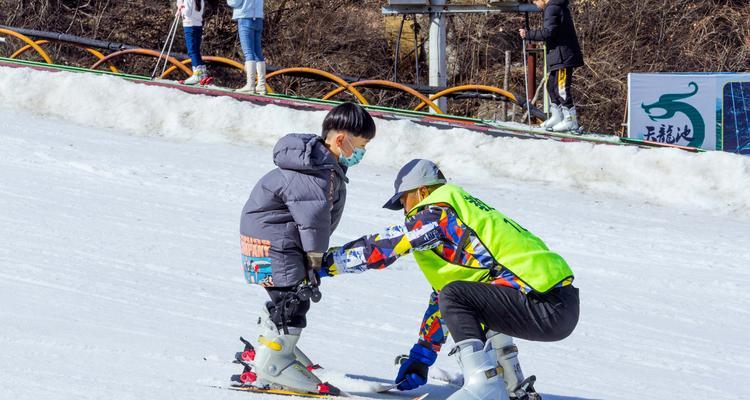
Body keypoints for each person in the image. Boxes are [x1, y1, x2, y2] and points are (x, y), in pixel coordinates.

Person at [320, 159, 580, 400]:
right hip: (556, 304)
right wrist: (423, 354)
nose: (405, 211)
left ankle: (484, 384)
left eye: (404, 202)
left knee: (456, 295)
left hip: (542, 302)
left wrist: (321, 264)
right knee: (465, 296)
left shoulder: (438, 212)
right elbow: (448, 299)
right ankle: (512, 385)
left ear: (422, 192)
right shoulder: (466, 213)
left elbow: (384, 247)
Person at [237, 102, 376, 395]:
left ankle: (273, 348)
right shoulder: (317, 172)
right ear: (341, 140)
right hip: (278, 243)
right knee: (294, 300)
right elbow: (313, 221)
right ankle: (274, 364)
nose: (362, 153)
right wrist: (314, 259)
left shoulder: (316, 165)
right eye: (360, 146)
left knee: (284, 297)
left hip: (270, 240)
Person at [520, 0, 584, 132]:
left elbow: (549, 32)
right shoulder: (554, 7)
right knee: (551, 86)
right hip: (557, 56)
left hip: (562, 57)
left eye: (535, 1)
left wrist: (528, 34)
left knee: (561, 89)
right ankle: (557, 116)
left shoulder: (552, 8)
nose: (536, 4)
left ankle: (570, 120)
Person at [226, 0, 266, 94]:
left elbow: (234, 2)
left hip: (245, 17)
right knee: (258, 53)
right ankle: (261, 85)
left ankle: (250, 85)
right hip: (258, 18)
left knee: (248, 52)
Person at [176, 0, 212, 86]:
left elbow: (187, 13)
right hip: (198, 26)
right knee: (196, 50)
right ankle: (202, 73)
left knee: (192, 50)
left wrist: (181, 8)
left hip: (189, 26)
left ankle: (197, 74)